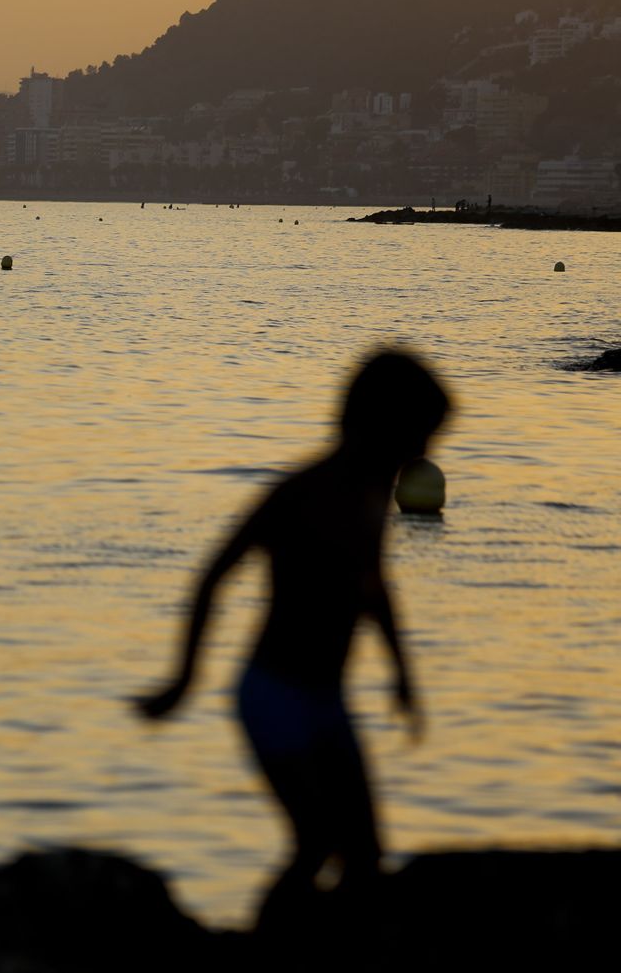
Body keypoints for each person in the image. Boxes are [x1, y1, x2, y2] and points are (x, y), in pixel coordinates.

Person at [134, 350, 451, 926]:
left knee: (365, 855)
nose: (425, 456)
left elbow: (374, 586)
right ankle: (266, 942)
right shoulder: (303, 492)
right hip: (273, 697)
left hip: (327, 701)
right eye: (417, 437)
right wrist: (184, 679)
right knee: (315, 843)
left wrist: (404, 675)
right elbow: (215, 575)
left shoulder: (374, 494)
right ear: (375, 426)